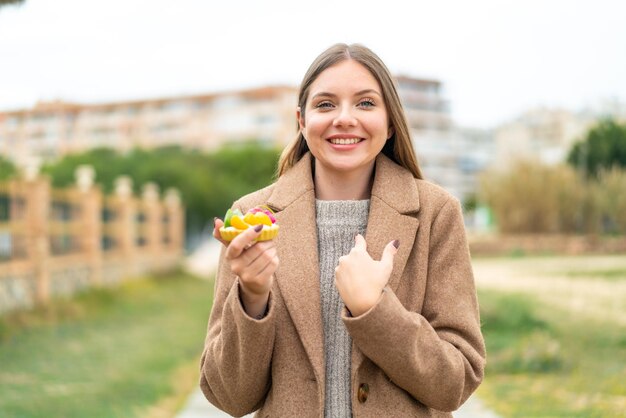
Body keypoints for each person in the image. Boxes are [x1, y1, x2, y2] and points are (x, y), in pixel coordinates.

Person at [200, 43, 485, 417]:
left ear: (390, 123)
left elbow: (456, 382)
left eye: (366, 103)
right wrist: (252, 298)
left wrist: (374, 310)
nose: (344, 118)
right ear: (302, 121)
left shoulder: (437, 213)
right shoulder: (252, 218)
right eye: (325, 104)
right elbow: (229, 396)